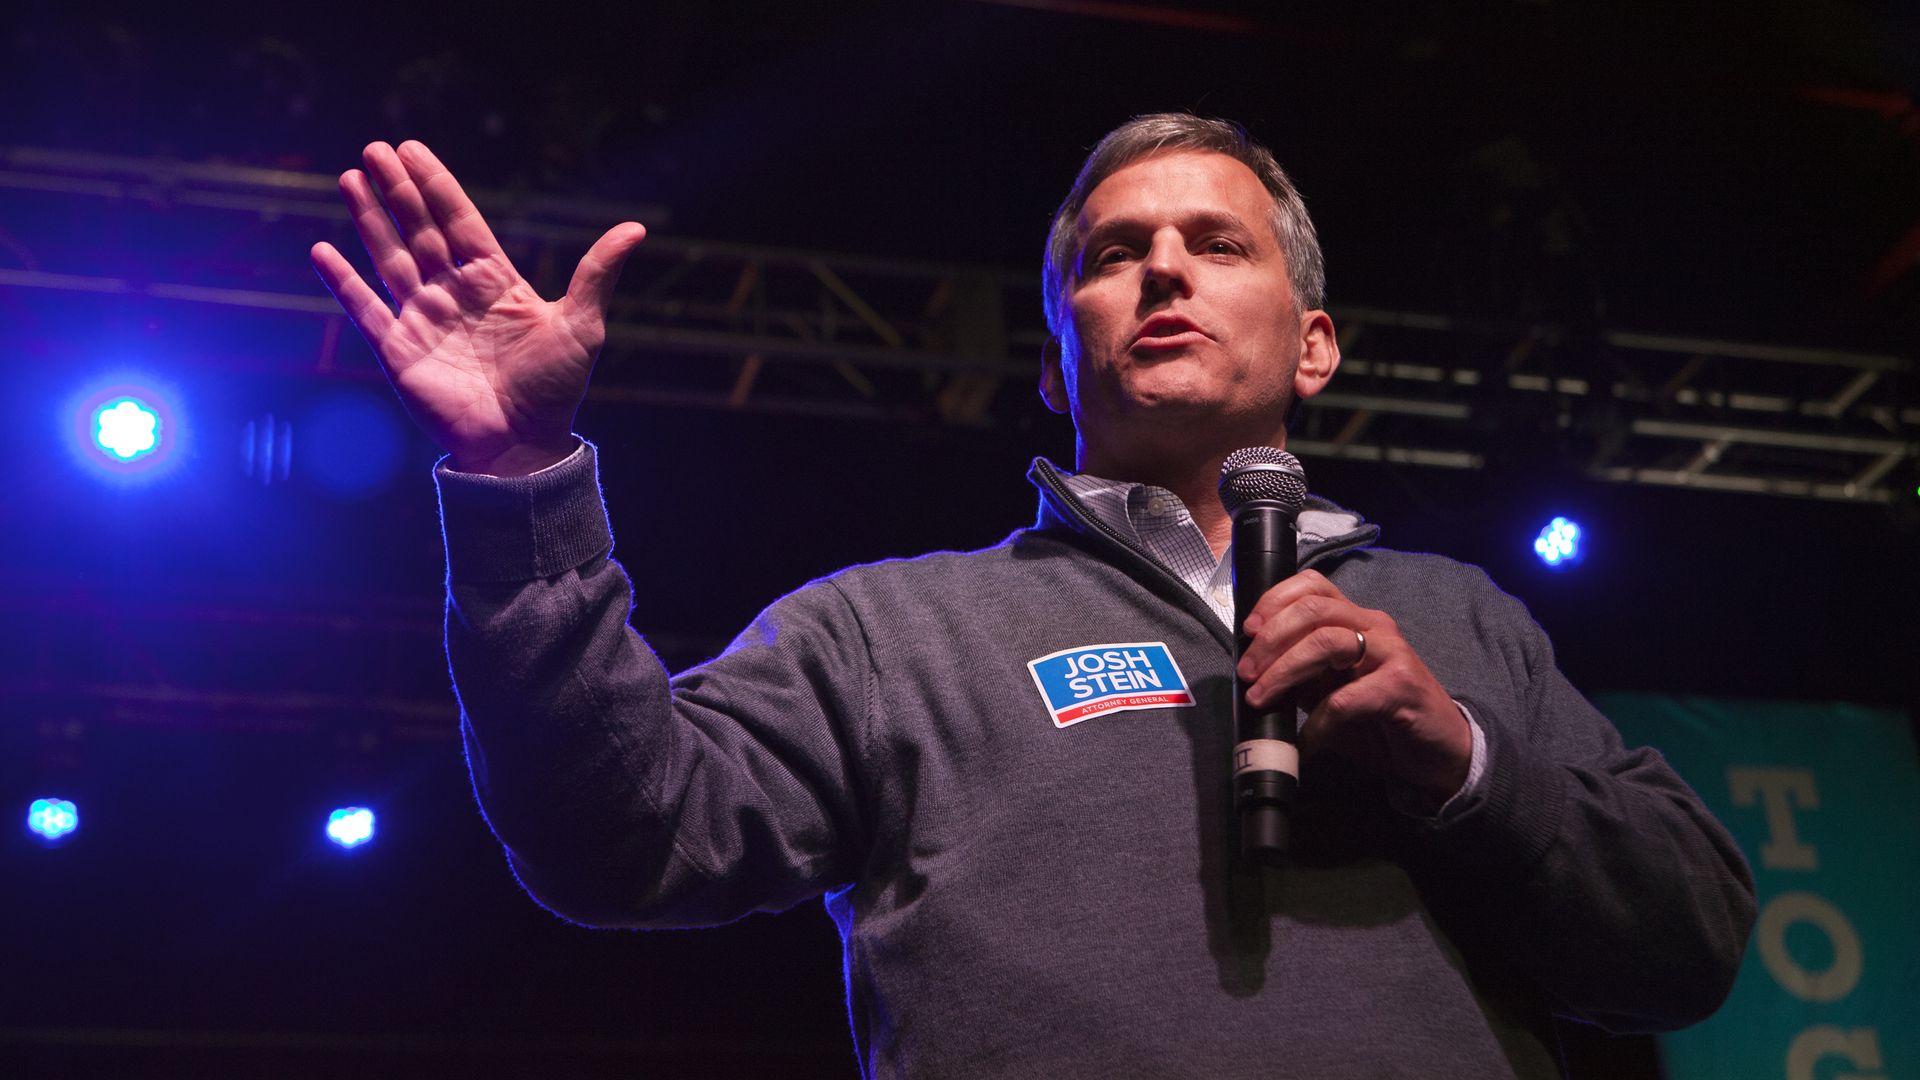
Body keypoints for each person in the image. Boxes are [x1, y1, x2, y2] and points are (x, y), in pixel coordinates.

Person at [311, 114, 1755, 1079]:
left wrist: (1463, 766)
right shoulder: (887, 633)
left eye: (1216, 243)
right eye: (1113, 258)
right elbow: (617, 838)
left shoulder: (1459, 623)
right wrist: (521, 473)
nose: (1163, 271)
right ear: (1061, 364)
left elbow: (1686, 946)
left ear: (1314, 346)